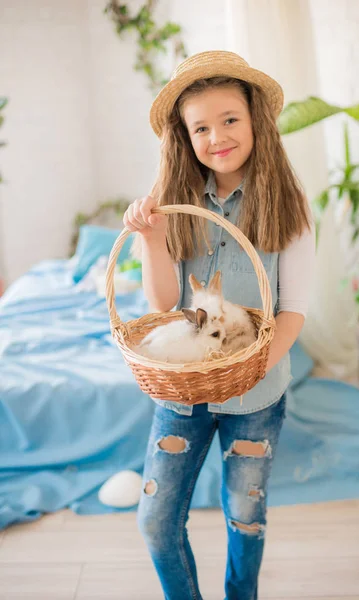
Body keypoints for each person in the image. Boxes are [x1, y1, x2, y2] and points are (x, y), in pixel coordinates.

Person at [123, 50, 315, 600]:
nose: (217, 136)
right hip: (183, 392)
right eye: (200, 127)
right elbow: (162, 302)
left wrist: (243, 371)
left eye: (229, 119)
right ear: (185, 137)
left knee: (246, 518)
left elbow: (293, 308)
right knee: (156, 521)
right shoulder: (175, 203)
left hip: (256, 393)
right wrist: (151, 238)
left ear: (255, 119)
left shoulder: (289, 204)